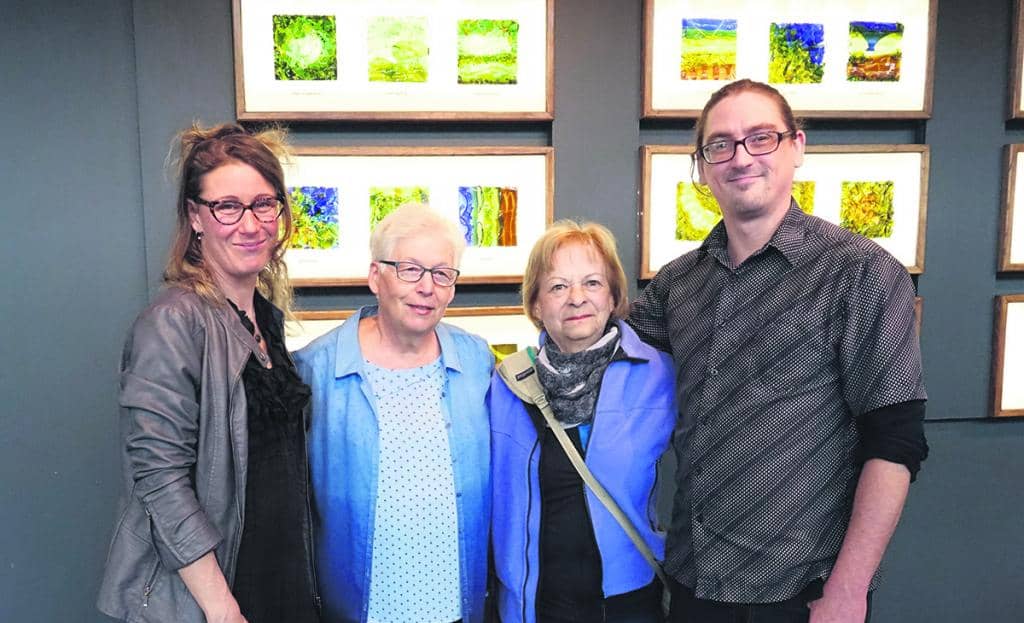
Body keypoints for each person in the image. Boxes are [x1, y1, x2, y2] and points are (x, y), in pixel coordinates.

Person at [628, 79, 928, 623]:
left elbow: (896, 442)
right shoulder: (678, 285)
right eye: (720, 144)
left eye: (761, 138)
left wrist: (849, 590)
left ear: (797, 148)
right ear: (702, 168)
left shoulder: (860, 273)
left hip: (803, 593)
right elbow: (607, 354)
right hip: (696, 583)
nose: (740, 157)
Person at [97, 123, 320, 623]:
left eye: (265, 203)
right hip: (210, 600)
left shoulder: (265, 320)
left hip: (279, 583)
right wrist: (222, 609)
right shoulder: (172, 323)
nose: (250, 223)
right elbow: (158, 480)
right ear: (195, 217)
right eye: (227, 206)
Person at [294, 203, 493, 623]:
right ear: (374, 277)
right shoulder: (315, 369)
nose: (427, 287)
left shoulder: (478, 360)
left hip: (457, 607)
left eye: (442, 274)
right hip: (357, 610)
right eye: (409, 269)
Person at [489, 220, 677, 623]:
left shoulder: (659, 375)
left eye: (592, 283)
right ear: (536, 304)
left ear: (612, 296)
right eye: (558, 286)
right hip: (533, 604)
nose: (576, 298)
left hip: (630, 602)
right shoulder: (506, 385)